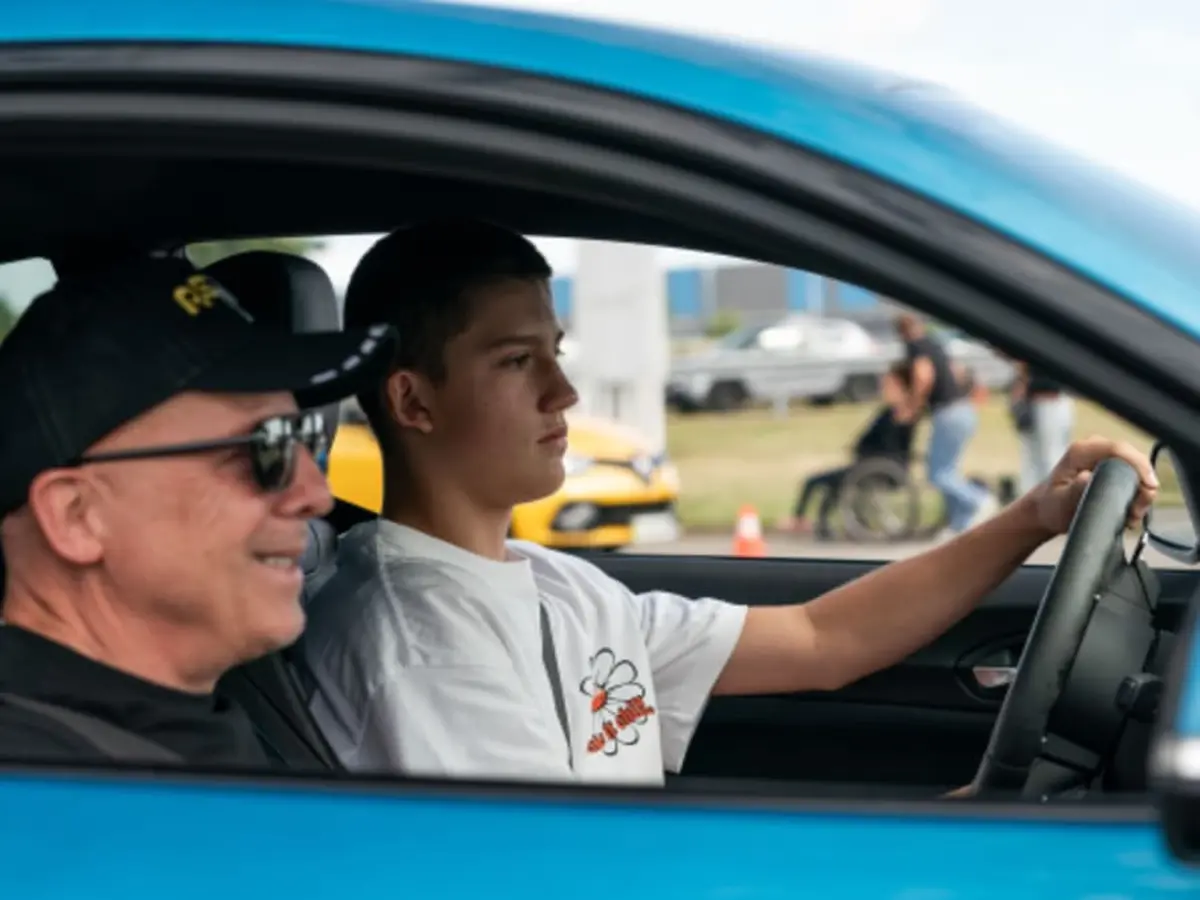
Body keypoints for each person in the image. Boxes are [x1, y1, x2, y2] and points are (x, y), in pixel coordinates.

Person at [298, 218, 1156, 786]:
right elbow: (552, 874)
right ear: (414, 403)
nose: (564, 392)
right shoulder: (416, 644)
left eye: (555, 353)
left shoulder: (552, 584)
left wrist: (1032, 517)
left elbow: (825, 640)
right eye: (519, 361)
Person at [0, 258, 396, 765]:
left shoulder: (190, 733)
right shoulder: (39, 798)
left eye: (305, 438)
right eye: (264, 448)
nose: (316, 494)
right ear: (77, 515)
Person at [780, 361, 916, 539]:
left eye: (887, 383)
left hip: (876, 466)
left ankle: (800, 519)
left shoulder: (897, 415)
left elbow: (884, 444)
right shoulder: (892, 412)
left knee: (815, 481)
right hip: (872, 464)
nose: (883, 387)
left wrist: (861, 451)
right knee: (831, 482)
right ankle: (821, 525)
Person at [894, 314, 996, 536]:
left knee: (938, 474)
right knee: (949, 470)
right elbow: (957, 372)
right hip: (963, 409)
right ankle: (960, 523)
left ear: (902, 332)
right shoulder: (935, 344)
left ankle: (977, 500)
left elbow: (923, 377)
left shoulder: (916, 347)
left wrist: (913, 406)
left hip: (948, 412)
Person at [1010, 361, 1075, 494]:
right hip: (1046, 402)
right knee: (1039, 459)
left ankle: (1054, 499)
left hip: (1048, 401)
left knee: (1048, 458)